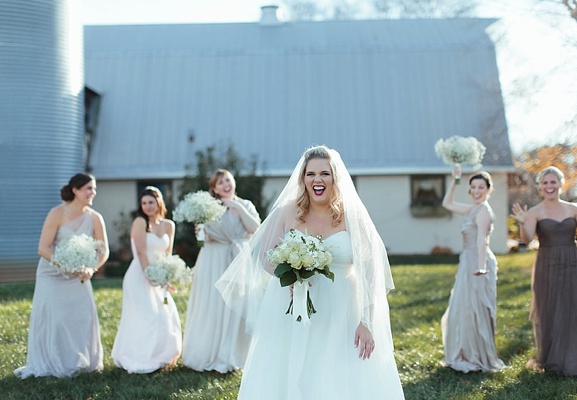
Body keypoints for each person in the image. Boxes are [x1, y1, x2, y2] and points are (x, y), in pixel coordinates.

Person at [216, 145, 405, 399]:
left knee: (337, 371)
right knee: (293, 368)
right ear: (302, 178)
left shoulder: (352, 216)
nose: (317, 179)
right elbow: (265, 256)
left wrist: (367, 321)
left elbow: (371, 270)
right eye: (310, 174)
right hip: (292, 307)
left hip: (342, 311)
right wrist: (289, 278)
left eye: (325, 173)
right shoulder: (286, 212)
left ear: (335, 178)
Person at [14, 173, 109, 378]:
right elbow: (43, 248)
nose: (92, 193)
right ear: (75, 190)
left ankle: (79, 360)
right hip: (52, 273)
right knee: (56, 319)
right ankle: (53, 361)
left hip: (80, 275)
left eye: (94, 189)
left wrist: (91, 269)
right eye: (88, 189)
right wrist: (65, 265)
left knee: (81, 318)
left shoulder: (95, 218)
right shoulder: (56, 213)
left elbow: (104, 251)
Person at [512, 166, 577, 376]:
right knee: (550, 308)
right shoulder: (534, 212)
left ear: (561, 184)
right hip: (547, 264)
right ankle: (554, 359)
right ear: (540, 187)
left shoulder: (572, 209)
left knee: (576, 306)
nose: (549, 186)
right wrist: (523, 223)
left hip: (573, 262)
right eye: (545, 183)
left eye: (553, 182)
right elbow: (527, 239)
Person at [182, 169, 261, 373]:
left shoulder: (245, 204)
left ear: (233, 182)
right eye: (220, 183)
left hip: (239, 260)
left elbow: (256, 229)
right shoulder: (209, 207)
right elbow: (203, 237)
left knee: (238, 306)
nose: (225, 185)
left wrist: (238, 207)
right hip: (214, 259)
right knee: (214, 304)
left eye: (228, 180)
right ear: (214, 189)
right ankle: (212, 351)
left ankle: (233, 353)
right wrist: (201, 232)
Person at [440, 166, 505, 373]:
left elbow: (480, 241)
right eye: (473, 187)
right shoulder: (471, 209)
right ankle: (466, 352)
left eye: (481, 187)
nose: (476, 191)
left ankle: (478, 354)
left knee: (477, 308)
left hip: (478, 261)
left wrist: (481, 267)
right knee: (464, 307)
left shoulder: (484, 211)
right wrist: (456, 180)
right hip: (467, 260)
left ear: (488, 189)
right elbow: (447, 203)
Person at [111, 186, 182, 374]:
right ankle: (139, 356)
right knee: (146, 315)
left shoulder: (168, 225)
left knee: (165, 315)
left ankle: (161, 356)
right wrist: (150, 276)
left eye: (151, 202)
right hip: (139, 275)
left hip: (159, 274)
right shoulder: (140, 222)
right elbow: (142, 253)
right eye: (143, 203)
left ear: (159, 202)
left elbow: (168, 255)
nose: (147, 206)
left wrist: (166, 276)